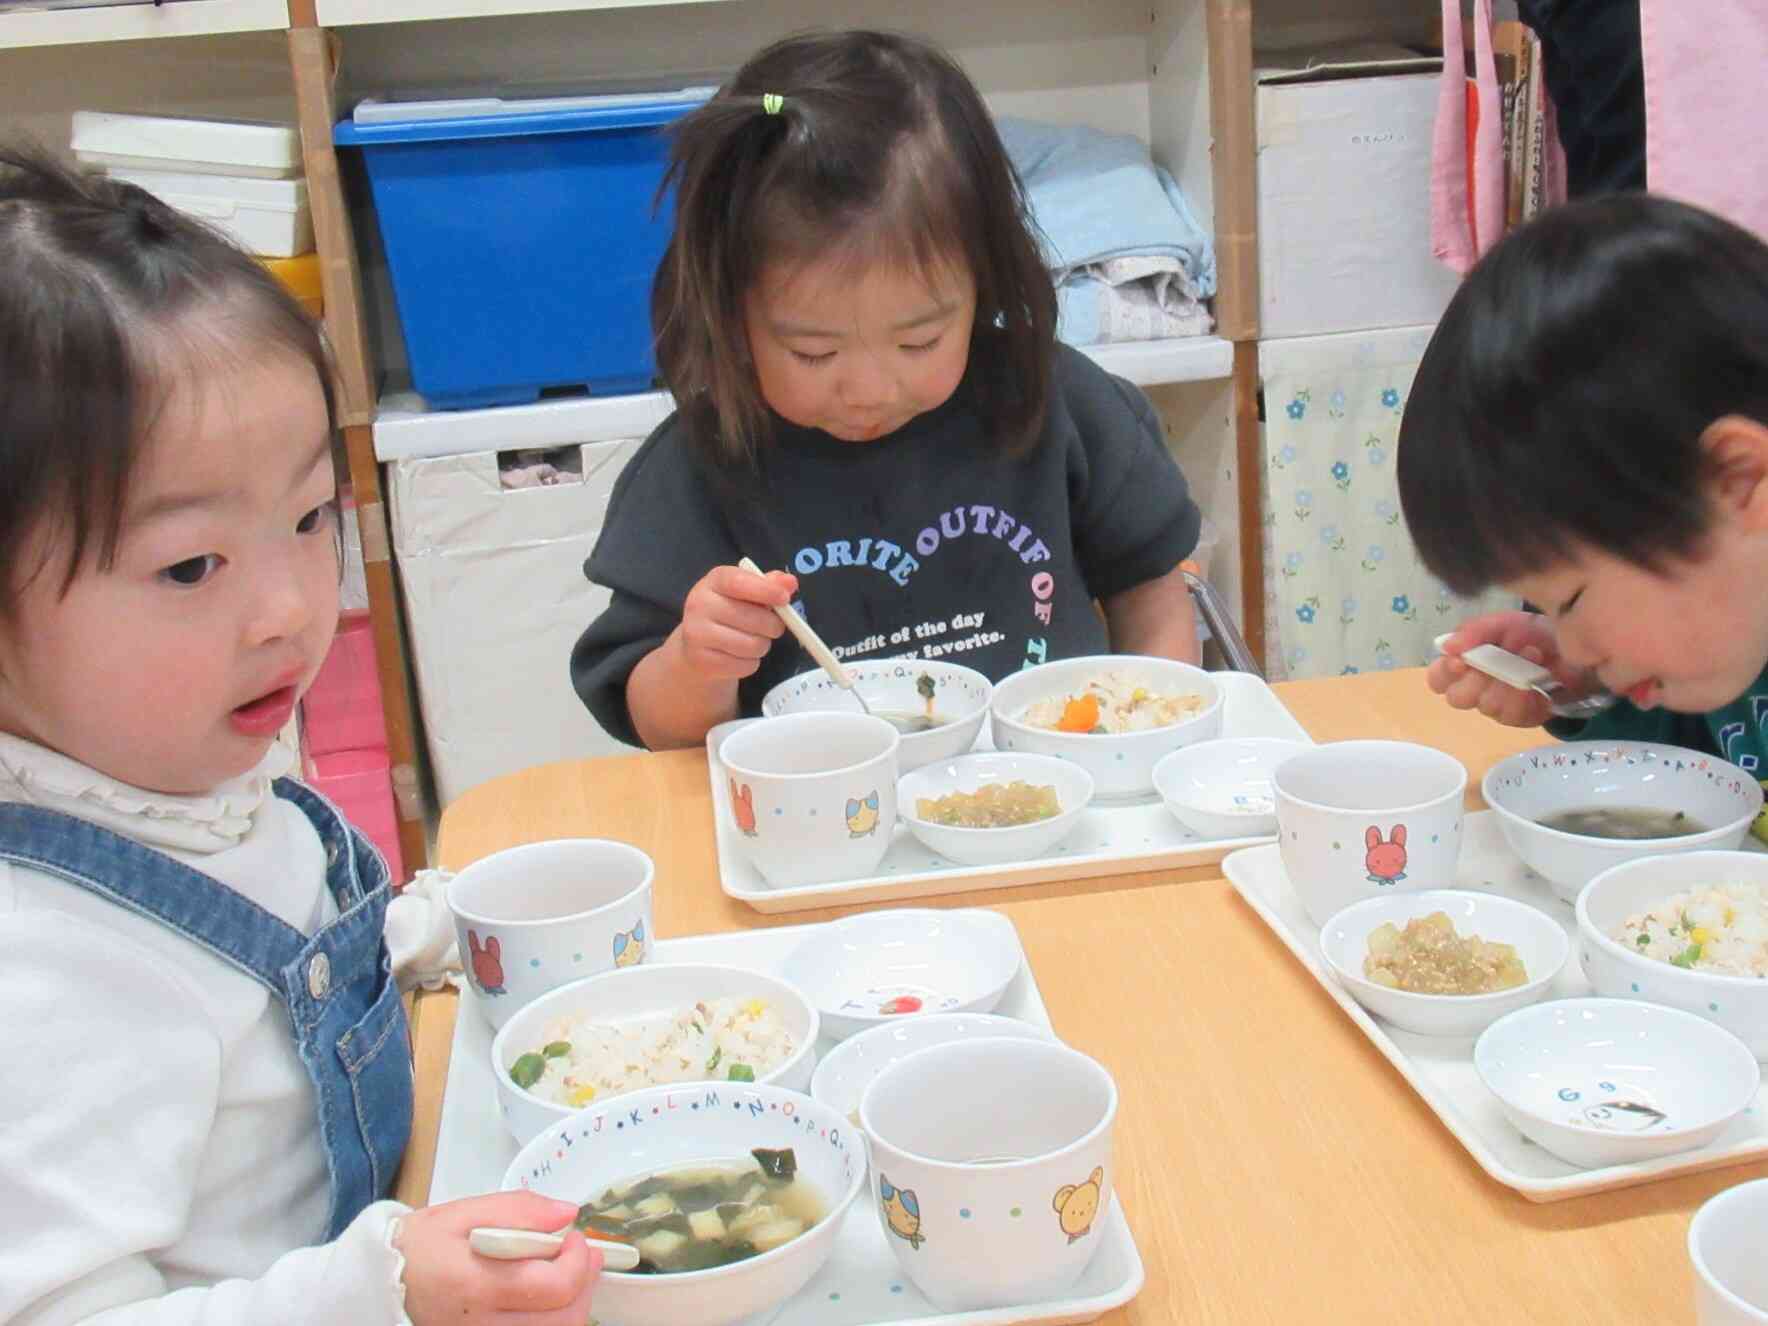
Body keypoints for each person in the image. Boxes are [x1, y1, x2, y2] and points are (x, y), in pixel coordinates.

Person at [0, 146, 600, 1326]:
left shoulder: (166, 754)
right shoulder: (47, 976)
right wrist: (367, 1291)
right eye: (189, 565)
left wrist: (416, 936)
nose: (290, 608)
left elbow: (272, 944)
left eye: (309, 515)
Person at [571, 29, 1204, 751]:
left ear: (984, 283)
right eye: (812, 352)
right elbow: (659, 731)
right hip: (822, 830)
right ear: (729, 312)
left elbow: (1151, 585)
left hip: (1055, 806)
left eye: (919, 342)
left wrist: (1158, 744)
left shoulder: (1055, 402)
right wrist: (697, 661)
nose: (868, 389)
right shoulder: (701, 467)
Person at [1398, 193, 1768, 799]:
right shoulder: (1734, 625)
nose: (1572, 645)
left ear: (1738, 479)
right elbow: (1713, 768)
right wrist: (1587, 695)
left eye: (1571, 601)